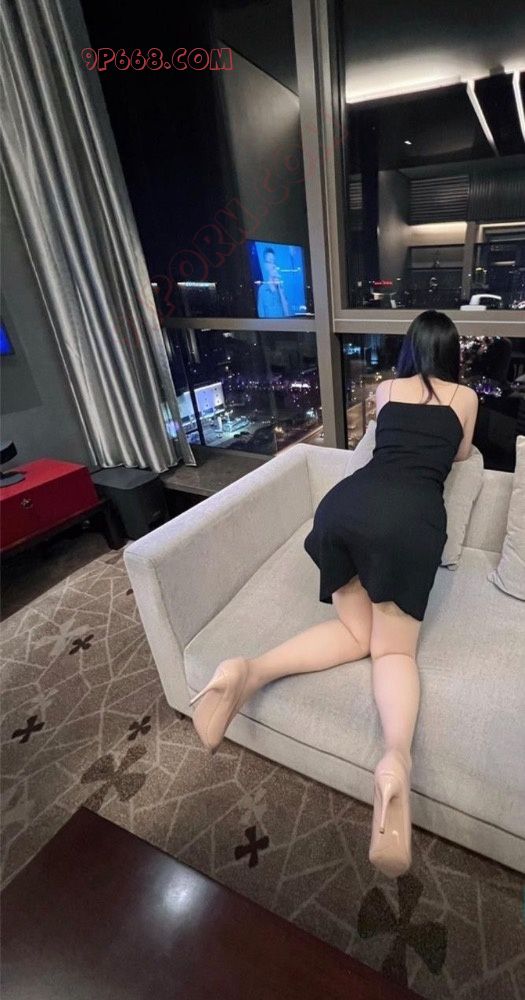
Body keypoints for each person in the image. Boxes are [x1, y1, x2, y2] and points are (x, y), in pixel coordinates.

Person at [188, 310, 479, 880]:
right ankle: (395, 761)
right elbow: (462, 455)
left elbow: (385, 441)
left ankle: (246, 672)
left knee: (355, 633)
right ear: (451, 353)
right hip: (409, 519)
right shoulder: (465, 398)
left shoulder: (385, 390)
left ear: (410, 349)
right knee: (392, 651)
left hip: (344, 506)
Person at [257, 247, 290, 318]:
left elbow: (288, 314)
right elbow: (261, 315)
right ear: (265, 265)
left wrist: (280, 288)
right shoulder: (262, 290)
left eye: (274, 262)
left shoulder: (281, 287)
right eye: (270, 261)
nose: (273, 265)